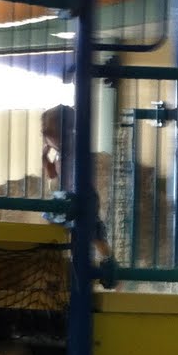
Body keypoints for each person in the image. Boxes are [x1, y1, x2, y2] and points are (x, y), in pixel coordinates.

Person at [41, 104, 111, 264]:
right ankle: (70, 259)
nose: (45, 137)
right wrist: (45, 160)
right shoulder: (60, 153)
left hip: (84, 198)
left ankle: (109, 264)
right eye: (44, 133)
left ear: (65, 131)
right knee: (56, 221)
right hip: (68, 199)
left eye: (48, 132)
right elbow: (52, 175)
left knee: (94, 235)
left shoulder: (74, 146)